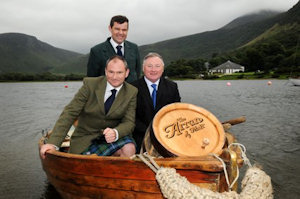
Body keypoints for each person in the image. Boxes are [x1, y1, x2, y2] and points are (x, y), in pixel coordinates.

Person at [40, 55, 137, 159]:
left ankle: (117, 174)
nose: (114, 77)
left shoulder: (131, 91)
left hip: (111, 138)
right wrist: (53, 143)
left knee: (129, 148)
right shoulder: (90, 85)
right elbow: (70, 113)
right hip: (85, 138)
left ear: (126, 73)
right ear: (105, 71)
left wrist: (116, 132)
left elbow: (129, 122)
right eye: (111, 72)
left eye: (119, 72)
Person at [131, 52, 181, 152]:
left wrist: (163, 132)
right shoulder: (132, 88)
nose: (153, 70)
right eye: (149, 66)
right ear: (143, 68)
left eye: (157, 66)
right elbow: (131, 116)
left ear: (162, 69)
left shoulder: (172, 87)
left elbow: (176, 112)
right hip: (140, 137)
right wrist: (150, 133)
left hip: (167, 135)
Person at [87, 15, 141, 83]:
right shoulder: (96, 51)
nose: (121, 33)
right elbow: (91, 81)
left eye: (124, 30)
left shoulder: (134, 48)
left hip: (131, 93)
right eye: (117, 29)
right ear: (110, 28)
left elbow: (137, 74)